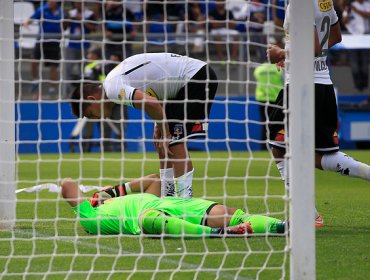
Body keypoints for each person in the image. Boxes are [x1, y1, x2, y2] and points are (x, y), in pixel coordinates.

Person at [267, 0, 370, 227]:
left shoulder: (298, 4)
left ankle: (307, 213)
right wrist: (291, 57)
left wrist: (281, 52)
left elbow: (312, 47)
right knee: (318, 155)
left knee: (279, 146)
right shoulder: (323, 2)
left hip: (302, 86)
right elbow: (336, 37)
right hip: (323, 85)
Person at [70, 53, 218, 198]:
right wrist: (160, 126)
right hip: (181, 86)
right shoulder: (112, 84)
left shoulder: (112, 89)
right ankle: (168, 197)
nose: (95, 119)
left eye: (90, 114)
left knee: (173, 142)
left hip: (196, 78)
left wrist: (166, 132)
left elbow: (151, 103)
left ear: (92, 99)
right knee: (162, 142)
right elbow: (155, 95)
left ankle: (185, 203)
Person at [61, 175, 286, 237]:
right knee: (150, 218)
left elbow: (154, 180)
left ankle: (282, 226)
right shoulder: (89, 218)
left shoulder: (113, 201)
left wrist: (110, 192)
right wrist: (96, 198)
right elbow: (67, 184)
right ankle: (219, 233)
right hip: (149, 218)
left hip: (170, 204)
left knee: (234, 215)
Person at [22, 0, 63, 99]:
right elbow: (29, 20)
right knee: (34, 61)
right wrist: (26, 23)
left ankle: (52, 89)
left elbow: (64, 25)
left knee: (54, 66)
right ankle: (35, 82)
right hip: (42, 41)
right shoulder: (42, 10)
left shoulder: (61, 11)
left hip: (55, 41)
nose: (50, 2)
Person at [63, 1, 97, 96]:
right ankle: (66, 92)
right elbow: (63, 27)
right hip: (71, 45)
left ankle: (82, 93)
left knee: (82, 71)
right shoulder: (70, 13)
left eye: (80, 3)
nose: (78, 5)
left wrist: (83, 21)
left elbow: (94, 28)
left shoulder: (89, 14)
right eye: (77, 3)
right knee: (68, 69)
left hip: (84, 46)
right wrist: (69, 19)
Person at [253, 63, 283, 150]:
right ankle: (278, 146)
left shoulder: (259, 69)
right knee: (278, 123)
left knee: (265, 123)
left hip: (262, 98)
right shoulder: (278, 68)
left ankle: (264, 147)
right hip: (276, 98)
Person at [342, 0, 370, 91]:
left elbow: (368, 15)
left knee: (365, 63)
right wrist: (348, 14)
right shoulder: (350, 6)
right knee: (354, 63)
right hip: (353, 38)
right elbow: (344, 20)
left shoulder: (367, 4)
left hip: (365, 37)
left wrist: (356, 10)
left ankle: (364, 84)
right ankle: (357, 85)